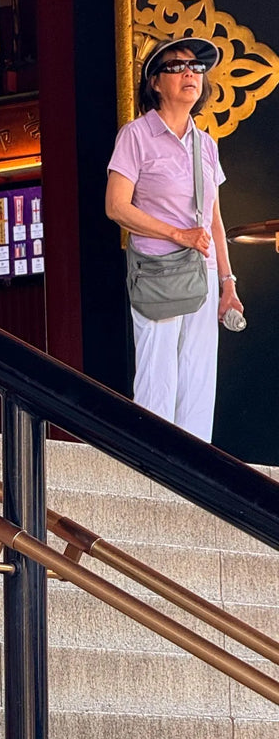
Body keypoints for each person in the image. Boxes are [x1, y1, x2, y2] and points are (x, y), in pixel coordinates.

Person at [105, 35, 243, 441]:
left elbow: (214, 219)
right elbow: (116, 206)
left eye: (197, 68)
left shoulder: (206, 144)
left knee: (200, 376)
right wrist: (176, 233)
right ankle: (153, 465)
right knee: (157, 373)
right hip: (157, 269)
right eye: (178, 67)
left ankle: (195, 472)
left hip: (200, 270)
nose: (190, 74)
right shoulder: (136, 135)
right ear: (155, 83)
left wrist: (228, 283)